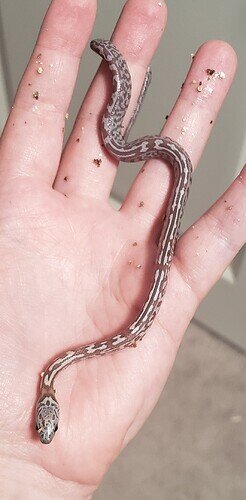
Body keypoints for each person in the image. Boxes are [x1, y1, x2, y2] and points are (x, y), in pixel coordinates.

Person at [0, 0, 245, 496]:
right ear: (50, 405)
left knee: (119, 144)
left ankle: (121, 96)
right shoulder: (52, 373)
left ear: (43, 403)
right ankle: (120, 105)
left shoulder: (56, 368)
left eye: (42, 424)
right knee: (117, 143)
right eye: (49, 424)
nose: (44, 427)